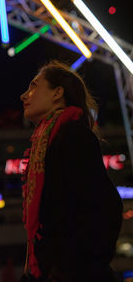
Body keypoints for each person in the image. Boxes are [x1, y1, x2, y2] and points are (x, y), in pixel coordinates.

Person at [20, 60, 123, 282]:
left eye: (34, 86)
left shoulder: (73, 134)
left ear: (57, 93)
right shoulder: (46, 141)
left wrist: (71, 268)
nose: (24, 95)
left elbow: (104, 205)